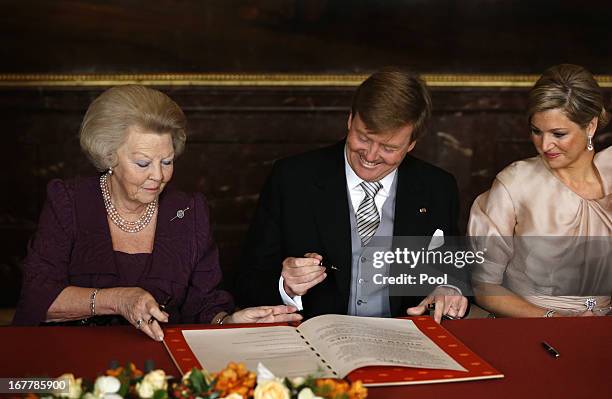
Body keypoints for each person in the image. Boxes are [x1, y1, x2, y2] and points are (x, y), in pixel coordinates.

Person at [12, 85, 301, 340]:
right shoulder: (70, 202)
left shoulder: (187, 211)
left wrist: (228, 321)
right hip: (71, 360)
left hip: (160, 361)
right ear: (109, 156)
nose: (158, 176)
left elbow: (205, 303)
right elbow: (38, 298)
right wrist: (118, 300)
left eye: (167, 161)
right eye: (142, 163)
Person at [235, 67, 469, 323]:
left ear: (412, 143)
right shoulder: (292, 178)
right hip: (312, 341)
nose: (370, 155)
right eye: (363, 138)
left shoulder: (437, 187)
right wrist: (286, 286)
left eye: (389, 147)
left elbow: (451, 270)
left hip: (404, 340)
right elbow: (247, 280)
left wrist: (448, 291)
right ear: (350, 120)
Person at [468, 64, 612, 317]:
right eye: (536, 131)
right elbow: (485, 286)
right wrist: (552, 319)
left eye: (558, 133)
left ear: (590, 126)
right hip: (532, 331)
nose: (544, 145)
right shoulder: (516, 182)